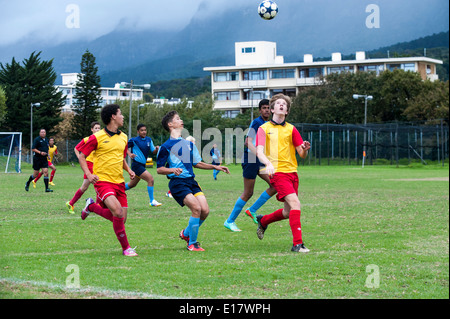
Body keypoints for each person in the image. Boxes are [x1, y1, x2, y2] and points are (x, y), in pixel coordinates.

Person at [157, 111, 229, 251]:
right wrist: (171, 170)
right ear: (170, 124)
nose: (181, 120)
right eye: (178, 119)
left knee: (205, 211)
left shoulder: (189, 144)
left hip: (191, 182)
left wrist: (216, 166)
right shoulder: (165, 146)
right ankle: (192, 243)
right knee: (196, 208)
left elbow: (197, 163)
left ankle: (186, 233)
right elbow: (159, 169)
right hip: (177, 183)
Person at [76, 104, 138, 257]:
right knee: (117, 212)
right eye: (121, 113)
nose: (123, 116)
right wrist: (89, 175)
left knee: (121, 220)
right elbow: (82, 155)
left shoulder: (124, 137)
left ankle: (91, 207)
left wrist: (129, 170)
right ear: (113, 117)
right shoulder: (97, 137)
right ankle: (126, 248)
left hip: (119, 182)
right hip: (102, 181)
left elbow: (121, 158)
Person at [255, 94, 311, 253]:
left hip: (292, 173)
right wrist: (267, 163)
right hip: (277, 173)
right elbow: (259, 151)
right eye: (278, 103)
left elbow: (301, 153)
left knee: (288, 211)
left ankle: (264, 220)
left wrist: (305, 149)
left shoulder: (291, 129)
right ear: (272, 109)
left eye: (284, 104)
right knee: (296, 204)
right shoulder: (263, 128)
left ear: (286, 111)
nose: (281, 105)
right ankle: (297, 244)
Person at [224, 99, 276, 232]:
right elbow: (248, 142)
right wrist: (260, 155)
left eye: (268, 108)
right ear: (260, 110)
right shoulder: (257, 122)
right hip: (251, 158)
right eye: (264, 108)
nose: (266, 110)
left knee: (275, 185)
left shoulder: (269, 124)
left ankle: (252, 210)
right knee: (248, 193)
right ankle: (229, 221)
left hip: (258, 160)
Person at [65, 121, 101, 214]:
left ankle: (71, 203)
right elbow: (76, 148)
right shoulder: (87, 139)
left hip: (97, 165)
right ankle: (98, 206)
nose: (97, 130)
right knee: (97, 184)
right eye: (96, 128)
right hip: (89, 164)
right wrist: (80, 158)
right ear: (92, 129)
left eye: (99, 128)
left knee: (87, 187)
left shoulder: (100, 140)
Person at [125, 123, 162, 207]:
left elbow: (153, 151)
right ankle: (152, 201)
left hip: (142, 165)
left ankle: (116, 191)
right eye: (142, 130)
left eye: (145, 130)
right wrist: (129, 154)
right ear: (138, 131)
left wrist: (156, 149)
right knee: (150, 179)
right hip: (136, 165)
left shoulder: (149, 140)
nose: (144, 132)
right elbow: (124, 147)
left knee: (132, 184)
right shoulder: (134, 140)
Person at [25, 128, 53, 193]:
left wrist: (48, 154)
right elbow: (33, 149)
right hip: (37, 159)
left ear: (45, 133)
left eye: (44, 132)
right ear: (39, 133)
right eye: (41, 132)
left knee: (46, 172)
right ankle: (28, 183)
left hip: (44, 159)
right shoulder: (37, 140)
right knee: (35, 175)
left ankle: (47, 189)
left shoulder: (46, 139)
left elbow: (47, 148)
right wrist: (40, 152)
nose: (43, 133)